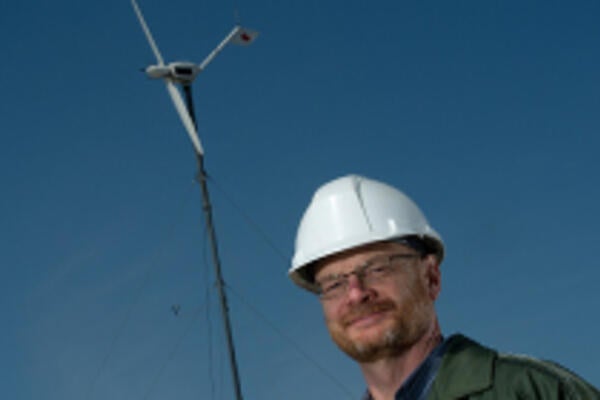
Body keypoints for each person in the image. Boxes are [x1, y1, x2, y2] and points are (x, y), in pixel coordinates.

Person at [288, 175, 599, 400]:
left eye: (377, 268)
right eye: (334, 283)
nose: (356, 293)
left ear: (431, 278)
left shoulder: (531, 391)